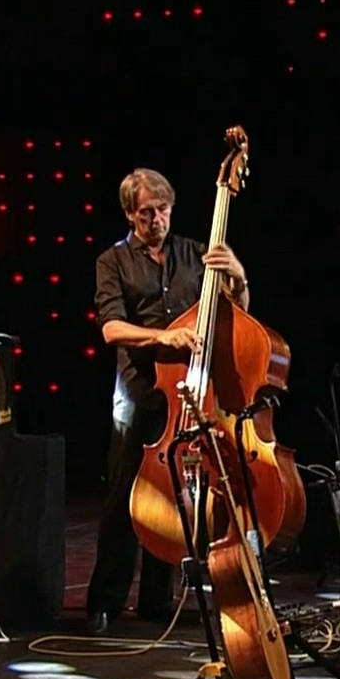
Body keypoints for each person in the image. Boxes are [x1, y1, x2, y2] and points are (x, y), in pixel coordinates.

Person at [85, 168, 248, 636]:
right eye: (146, 213)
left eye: (163, 210)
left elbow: (236, 312)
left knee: (174, 496)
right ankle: (105, 600)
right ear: (129, 214)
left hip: (189, 389)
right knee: (123, 497)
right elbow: (110, 328)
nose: (156, 219)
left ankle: (157, 601)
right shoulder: (112, 261)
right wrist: (164, 336)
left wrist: (239, 277)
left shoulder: (196, 253)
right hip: (138, 390)